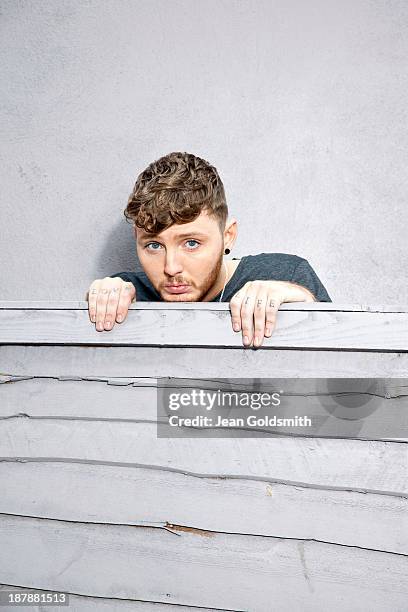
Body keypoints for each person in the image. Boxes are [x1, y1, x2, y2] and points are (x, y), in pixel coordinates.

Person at [87, 151, 331, 348]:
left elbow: (346, 388)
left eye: (191, 243)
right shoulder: (127, 294)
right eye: (154, 245)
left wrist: (305, 302)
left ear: (228, 236)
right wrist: (98, 301)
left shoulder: (287, 275)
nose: (171, 268)